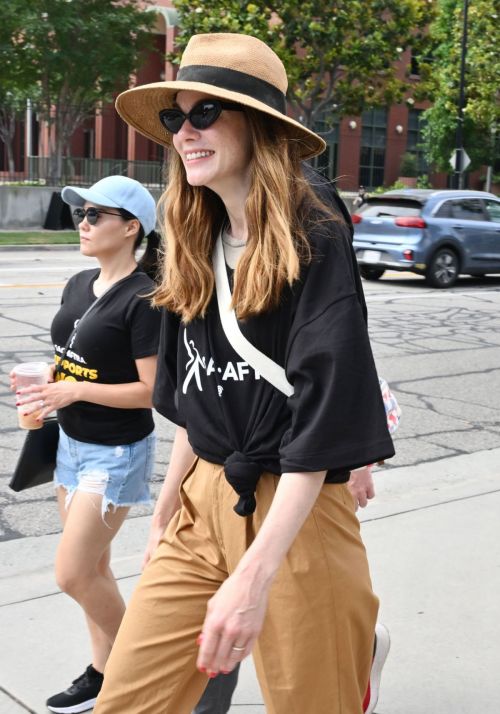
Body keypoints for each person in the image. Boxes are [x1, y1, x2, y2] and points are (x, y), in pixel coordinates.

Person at [95, 33, 395, 714]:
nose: (186, 132)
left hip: (296, 503)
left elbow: (324, 404)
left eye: (206, 114)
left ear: (257, 125)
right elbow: (194, 391)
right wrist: (169, 504)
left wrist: (255, 572)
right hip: (204, 498)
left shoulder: (313, 232)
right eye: (176, 117)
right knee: (128, 701)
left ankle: (356, 652)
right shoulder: (189, 237)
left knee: (313, 704)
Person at [11, 175, 161, 714]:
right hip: (70, 444)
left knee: (71, 573)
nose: (84, 223)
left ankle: (143, 667)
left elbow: (150, 391)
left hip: (115, 453)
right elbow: (71, 356)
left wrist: (76, 389)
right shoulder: (79, 283)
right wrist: (45, 385)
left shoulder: (144, 298)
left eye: (97, 215)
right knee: (95, 571)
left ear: (131, 228)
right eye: (82, 213)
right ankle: (102, 676)